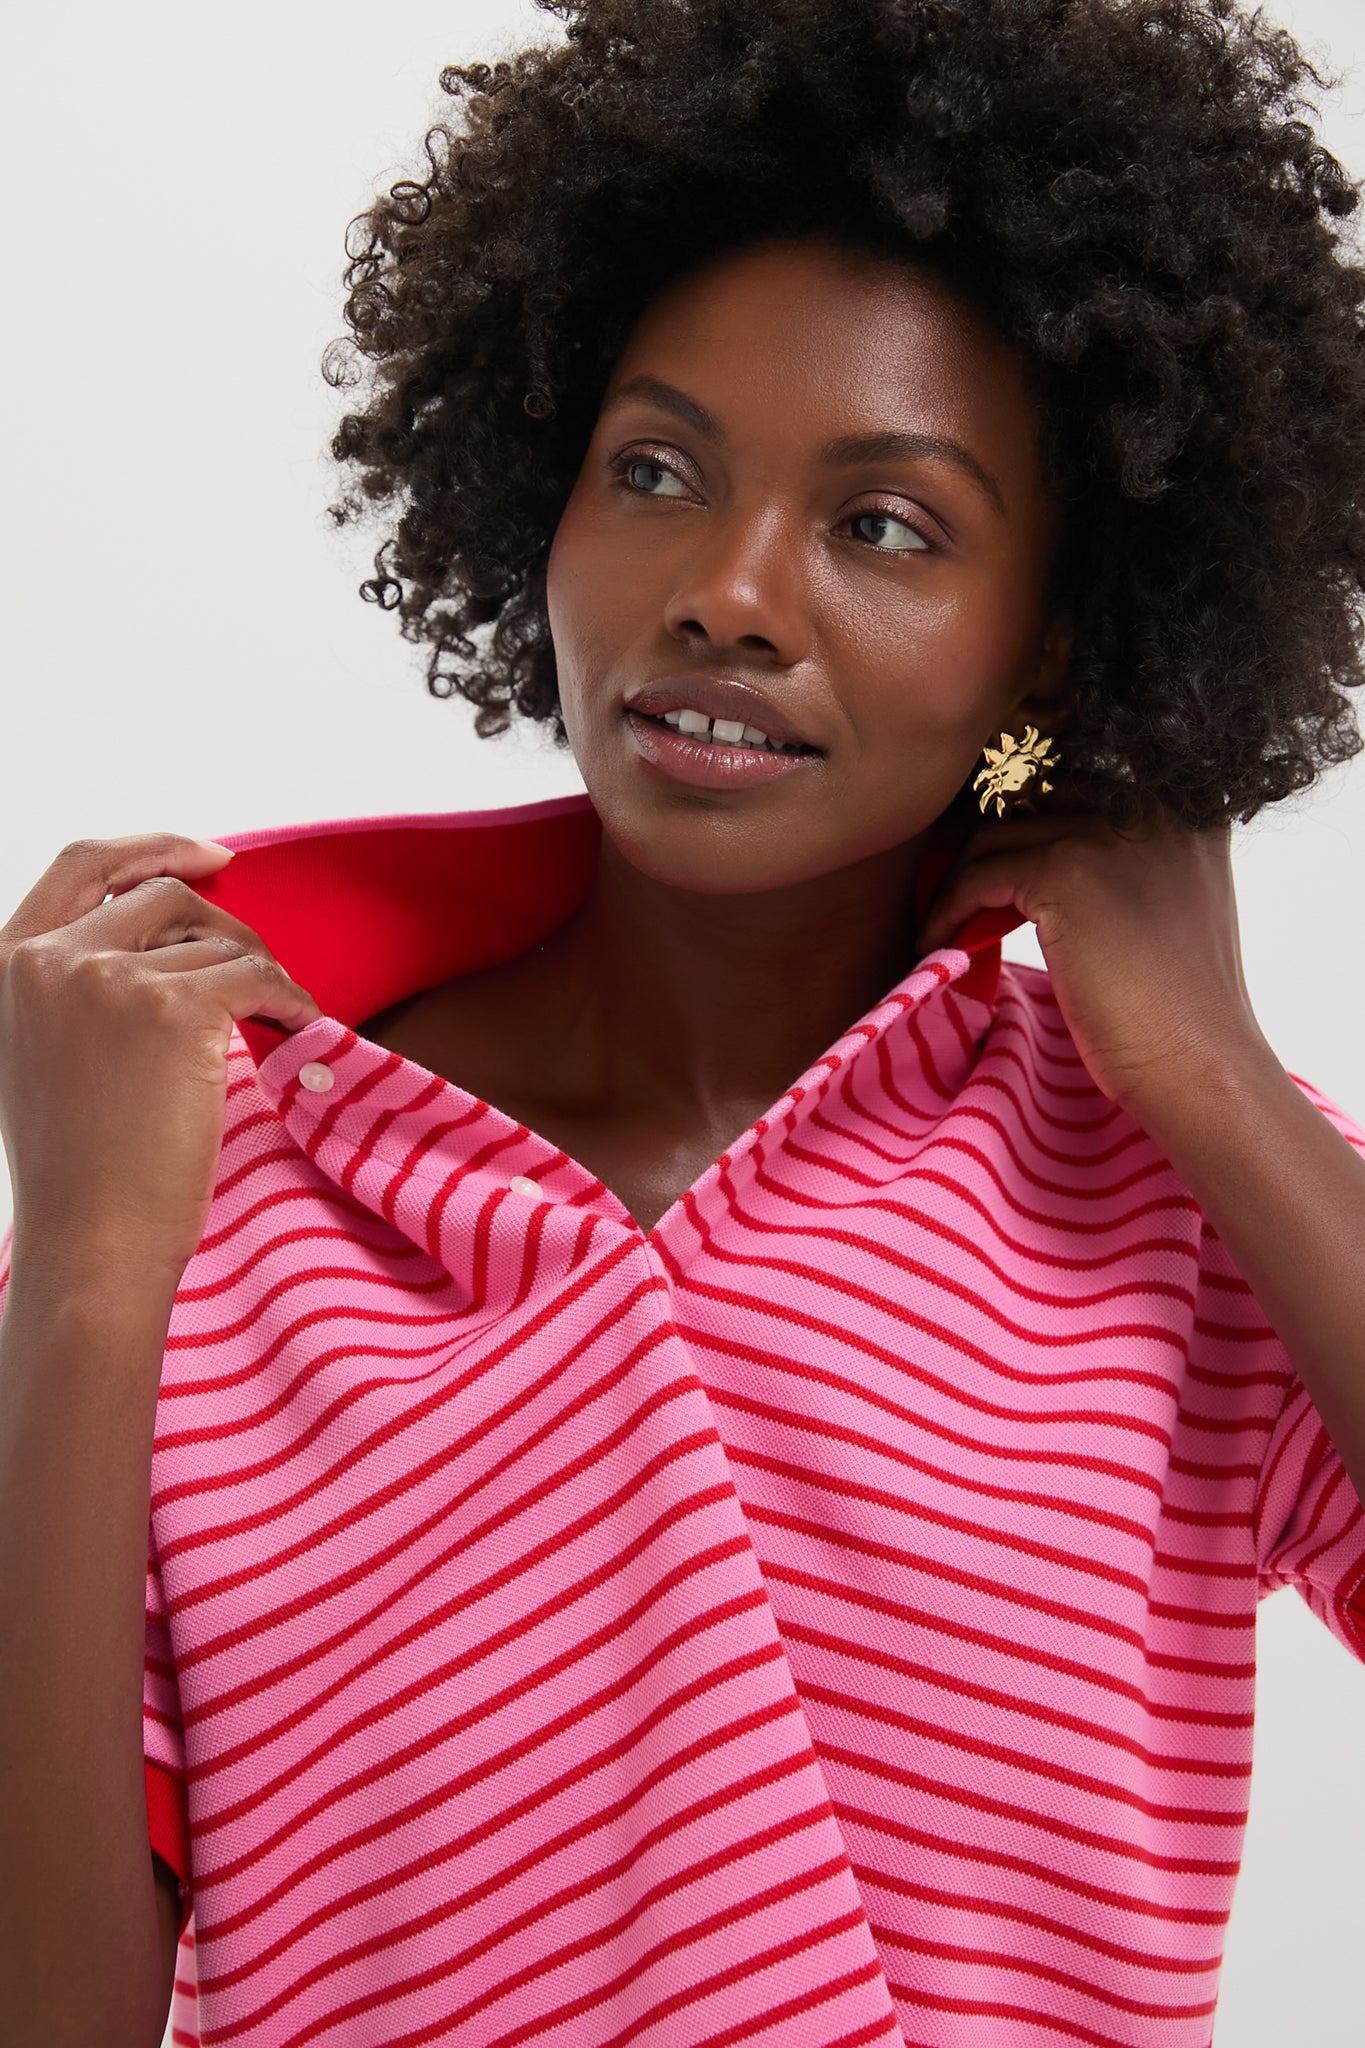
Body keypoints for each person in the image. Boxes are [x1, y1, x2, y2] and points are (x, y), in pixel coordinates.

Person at [3, 0, 1365, 2041]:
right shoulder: (198, 1193)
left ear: (1054, 647)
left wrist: (1217, 1076)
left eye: (884, 523)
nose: (728, 590)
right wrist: (84, 1266)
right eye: (654, 469)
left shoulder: (1166, 1184)